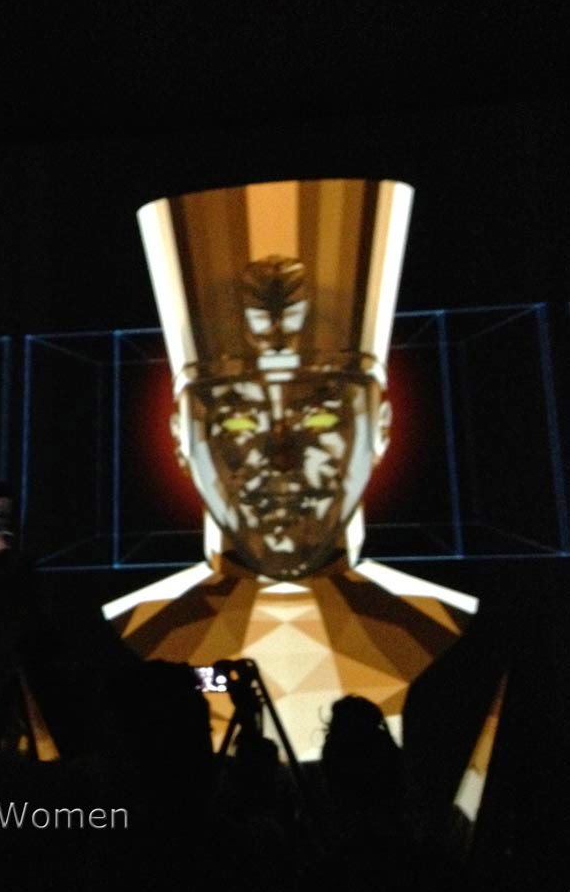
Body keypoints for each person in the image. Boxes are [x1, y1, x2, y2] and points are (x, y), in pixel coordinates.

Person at [103, 178, 488, 769]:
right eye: (238, 419)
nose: (280, 455)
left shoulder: (441, 631)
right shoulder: (140, 631)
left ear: (381, 424)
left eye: (321, 412)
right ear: (181, 433)